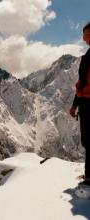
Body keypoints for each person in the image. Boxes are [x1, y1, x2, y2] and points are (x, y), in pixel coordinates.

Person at [70, 22, 90, 186]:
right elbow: (81, 85)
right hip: (85, 103)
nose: (84, 38)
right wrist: (75, 105)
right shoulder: (87, 57)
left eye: (87, 35)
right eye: (84, 35)